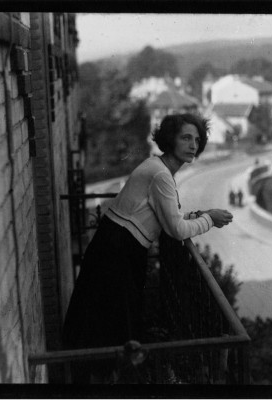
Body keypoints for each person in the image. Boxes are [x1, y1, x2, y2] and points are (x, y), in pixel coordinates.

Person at [62, 113, 233, 382]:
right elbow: (176, 231)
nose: (192, 144)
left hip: (117, 248)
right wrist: (210, 219)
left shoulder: (158, 168)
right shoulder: (160, 176)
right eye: (185, 137)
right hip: (117, 253)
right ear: (169, 139)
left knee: (105, 328)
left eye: (197, 140)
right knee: (111, 331)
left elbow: (166, 219)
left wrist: (200, 214)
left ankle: (99, 382)